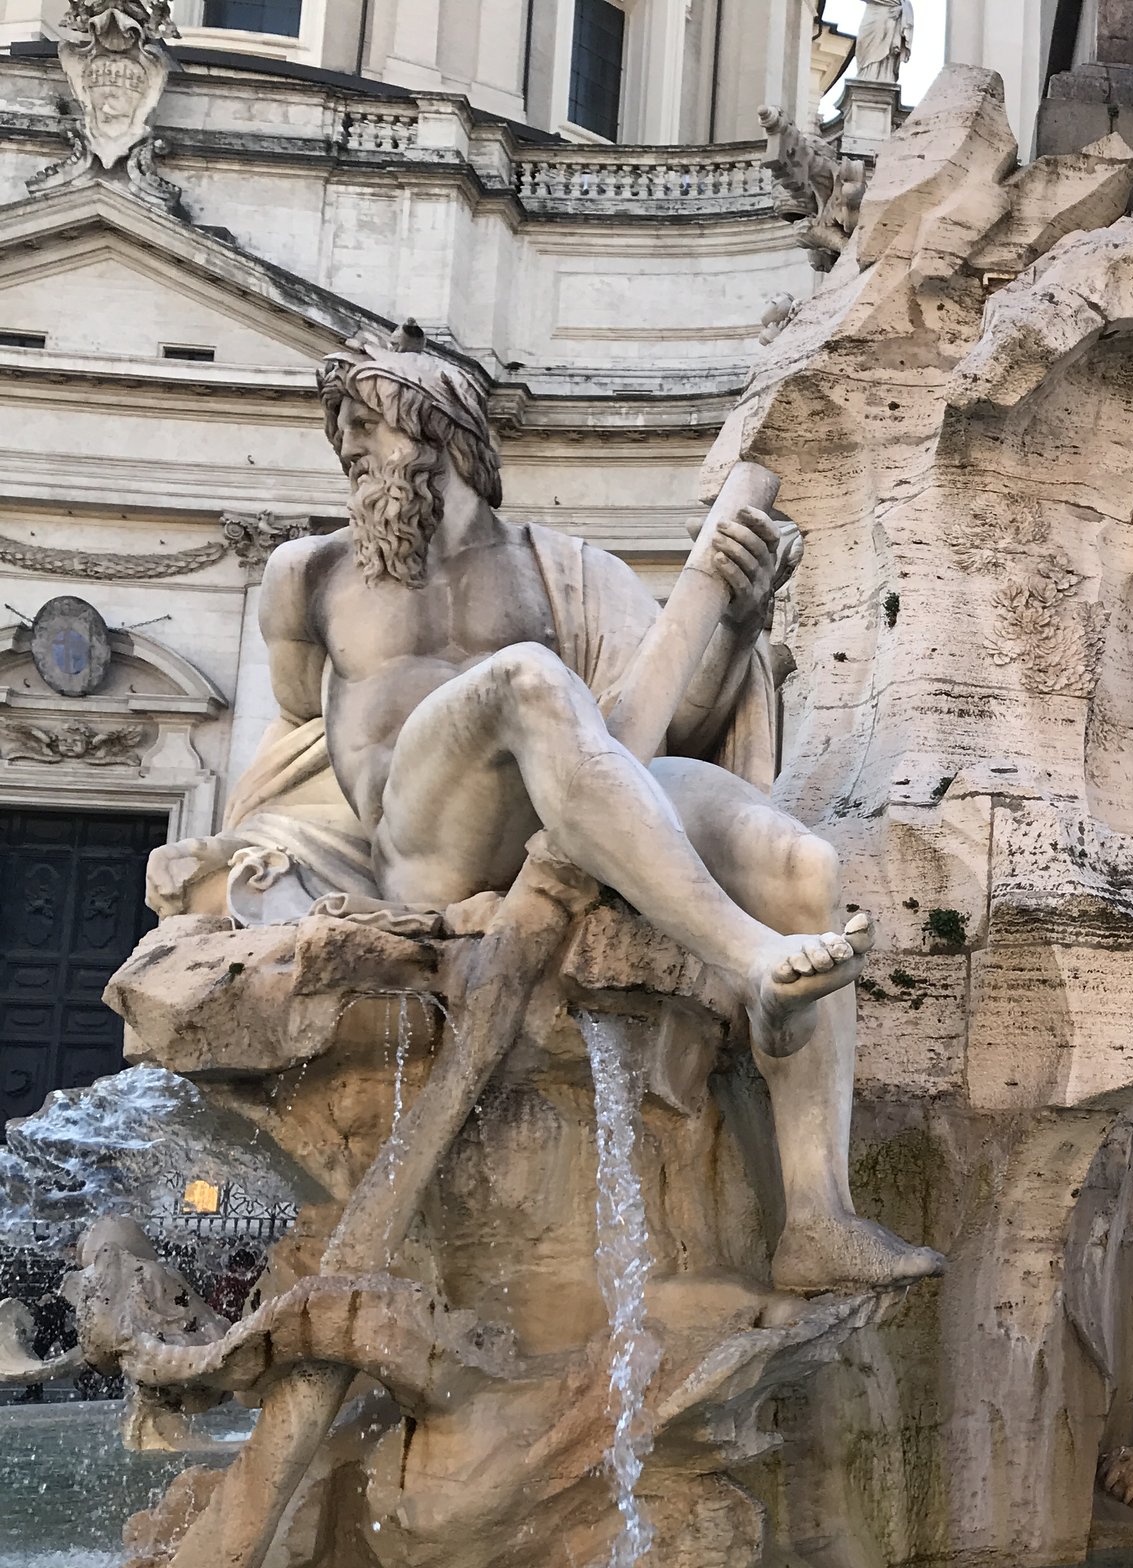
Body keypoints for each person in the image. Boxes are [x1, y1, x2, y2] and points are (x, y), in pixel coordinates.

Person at [147, 327, 938, 1290]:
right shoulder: (307, 576)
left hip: (585, 806)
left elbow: (672, 718)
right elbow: (297, 730)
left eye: (364, 425)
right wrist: (251, 846)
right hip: (424, 836)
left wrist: (735, 616)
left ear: (437, 431)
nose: (347, 450)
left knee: (803, 869)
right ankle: (754, 959)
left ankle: (817, 1219)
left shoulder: (563, 568)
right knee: (528, 679)